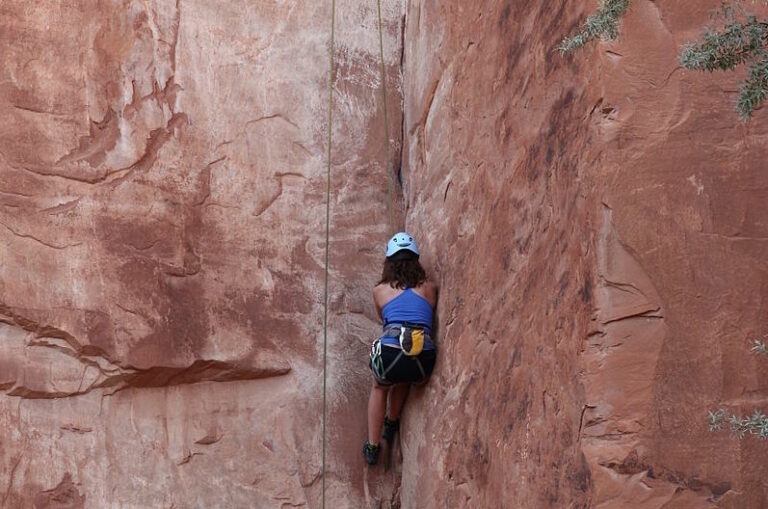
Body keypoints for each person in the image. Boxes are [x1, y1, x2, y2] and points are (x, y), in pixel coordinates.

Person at [363, 232, 438, 465]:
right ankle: (392, 421)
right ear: (416, 260)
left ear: (389, 262)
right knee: (407, 365)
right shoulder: (430, 288)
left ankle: (373, 446)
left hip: (392, 355)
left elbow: (384, 319)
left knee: (379, 386)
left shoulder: (380, 291)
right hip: (423, 360)